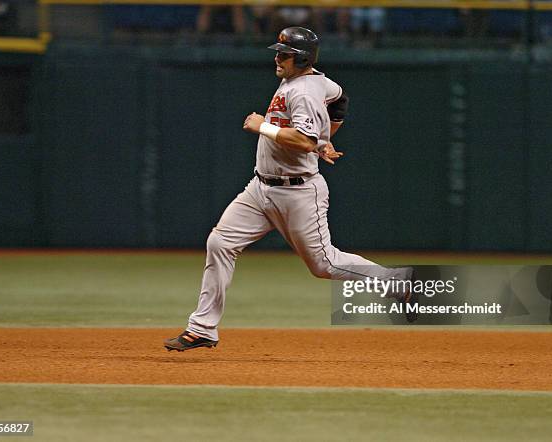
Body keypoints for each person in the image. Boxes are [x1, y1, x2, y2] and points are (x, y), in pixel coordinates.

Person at [164, 27, 418, 352]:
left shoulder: (303, 92)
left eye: (283, 54)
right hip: (260, 188)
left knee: (324, 265)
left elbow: (303, 140)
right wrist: (325, 141)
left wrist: (268, 127)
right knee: (220, 242)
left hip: (298, 193)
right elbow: (340, 98)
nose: (276, 57)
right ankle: (202, 329)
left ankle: (396, 282)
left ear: (301, 58)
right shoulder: (312, 82)